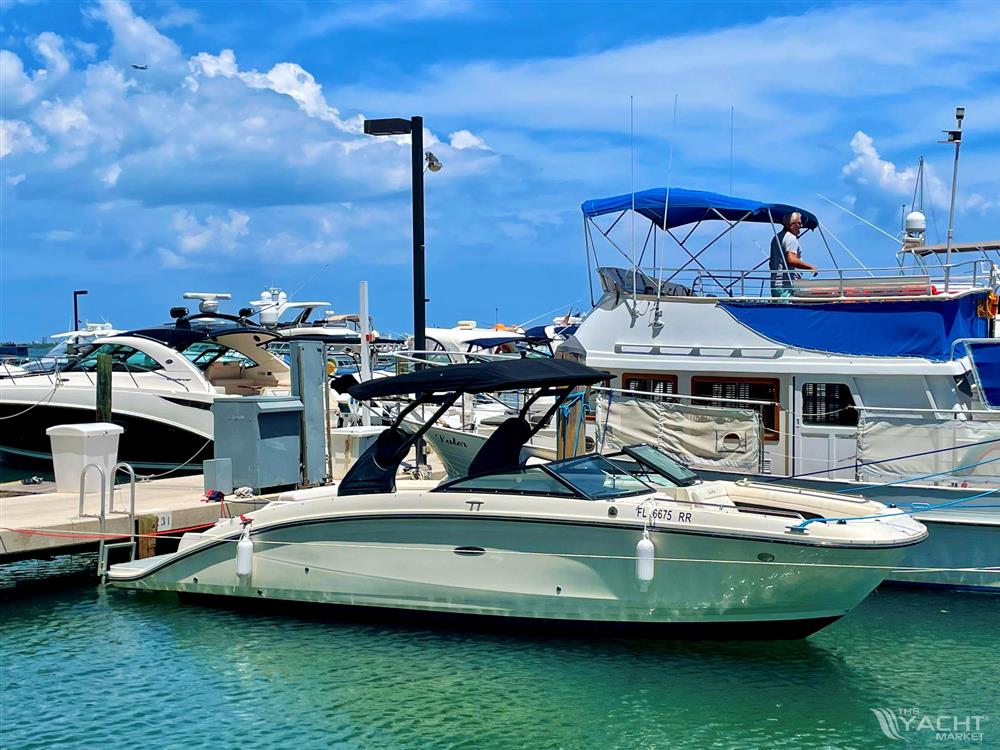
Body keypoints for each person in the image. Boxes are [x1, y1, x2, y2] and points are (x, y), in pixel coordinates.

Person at [769, 212, 817, 297]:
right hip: (786, 286)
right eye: (799, 223)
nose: (801, 225)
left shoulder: (777, 237)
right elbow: (792, 259)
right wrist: (810, 267)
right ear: (791, 225)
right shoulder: (791, 238)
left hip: (775, 285)